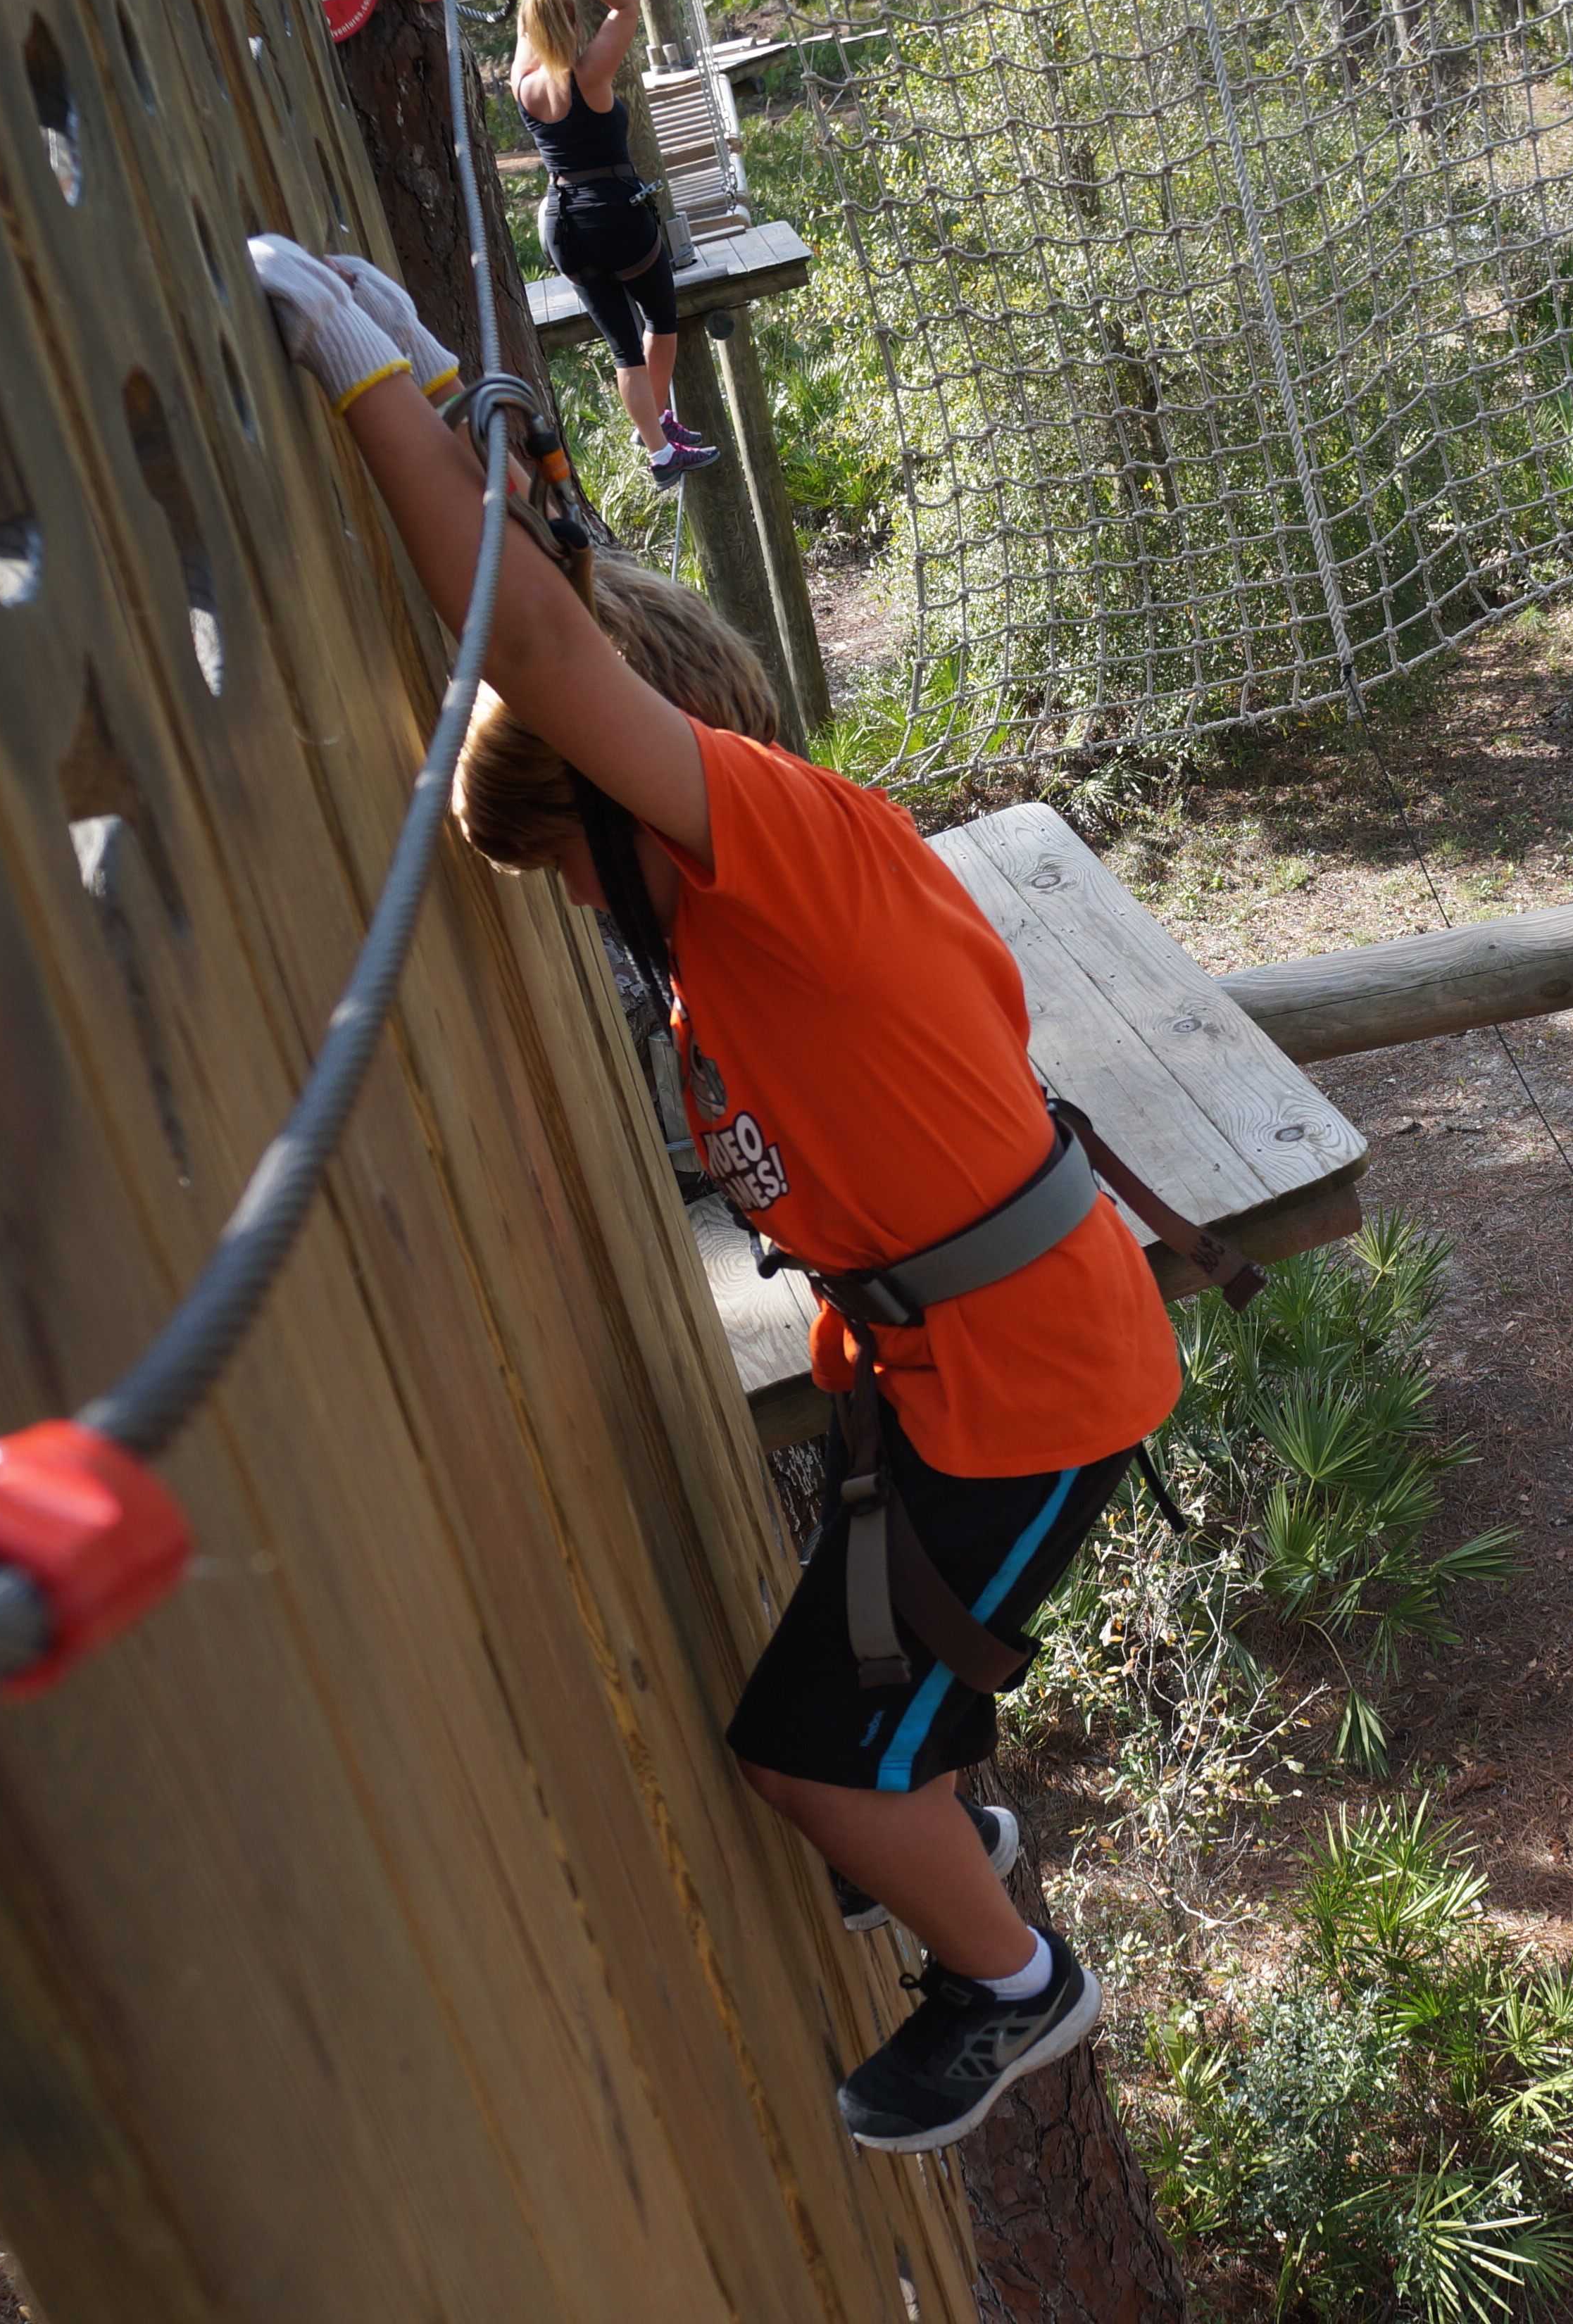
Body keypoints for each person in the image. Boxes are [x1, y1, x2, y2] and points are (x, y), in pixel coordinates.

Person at [244, 232, 1182, 2156]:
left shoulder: (780, 858)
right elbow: (575, 615)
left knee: (810, 1772)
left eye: (583, 882)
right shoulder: (753, 878)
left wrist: (364, 398)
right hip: (957, 1381)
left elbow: (546, 648)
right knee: (846, 1751)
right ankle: (937, 1827)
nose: (594, 920)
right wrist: (445, 399)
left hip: (1031, 1390)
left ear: (633, 813)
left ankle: (1015, 1985)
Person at [512, 0, 720, 491]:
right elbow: (627, 4)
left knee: (623, 347)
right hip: (613, 213)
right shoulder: (590, 75)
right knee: (661, 320)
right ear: (575, 26)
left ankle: (657, 447)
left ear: (531, 32)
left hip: (561, 222)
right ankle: (657, 431)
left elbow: (523, 31)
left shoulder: (524, 87)